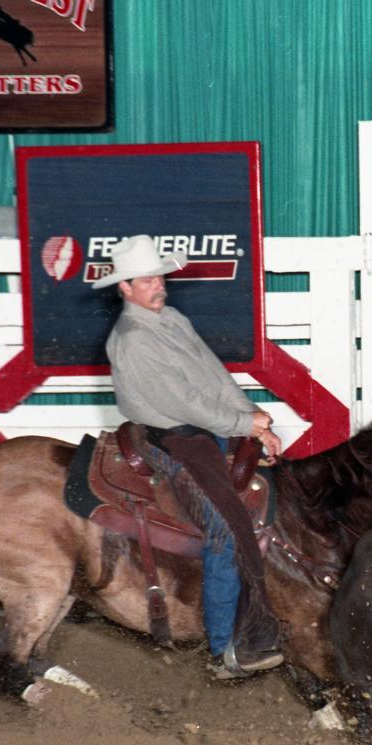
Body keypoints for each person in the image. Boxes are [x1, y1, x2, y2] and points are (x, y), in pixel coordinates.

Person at [94, 234, 284, 677]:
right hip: (169, 438)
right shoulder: (133, 339)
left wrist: (252, 416)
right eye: (146, 279)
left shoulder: (173, 319)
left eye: (159, 275)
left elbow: (213, 377)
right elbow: (182, 402)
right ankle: (224, 650)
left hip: (205, 430)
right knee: (224, 532)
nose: (158, 284)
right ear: (125, 287)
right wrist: (243, 425)